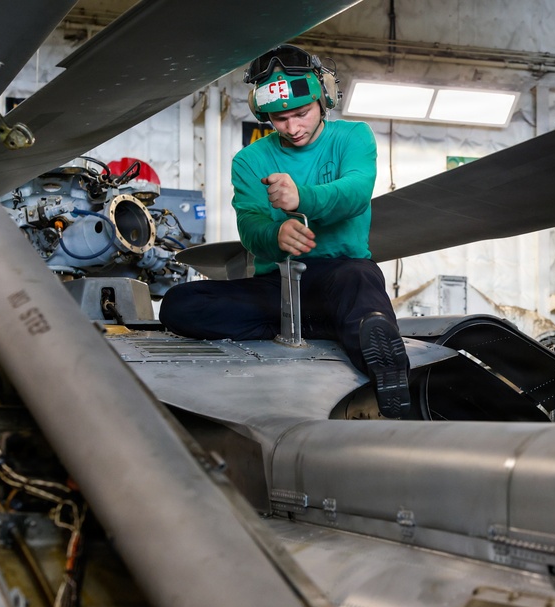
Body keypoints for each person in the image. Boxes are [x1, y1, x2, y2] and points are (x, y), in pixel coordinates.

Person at [159, 44, 411, 419]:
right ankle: (331, 324)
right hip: (277, 290)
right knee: (178, 305)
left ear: (323, 99)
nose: (292, 128)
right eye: (278, 118)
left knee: (360, 282)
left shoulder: (353, 137)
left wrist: (301, 198)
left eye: (301, 113)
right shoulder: (249, 160)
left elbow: (357, 193)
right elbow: (250, 225)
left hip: (341, 272)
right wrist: (275, 237)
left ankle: (393, 384)